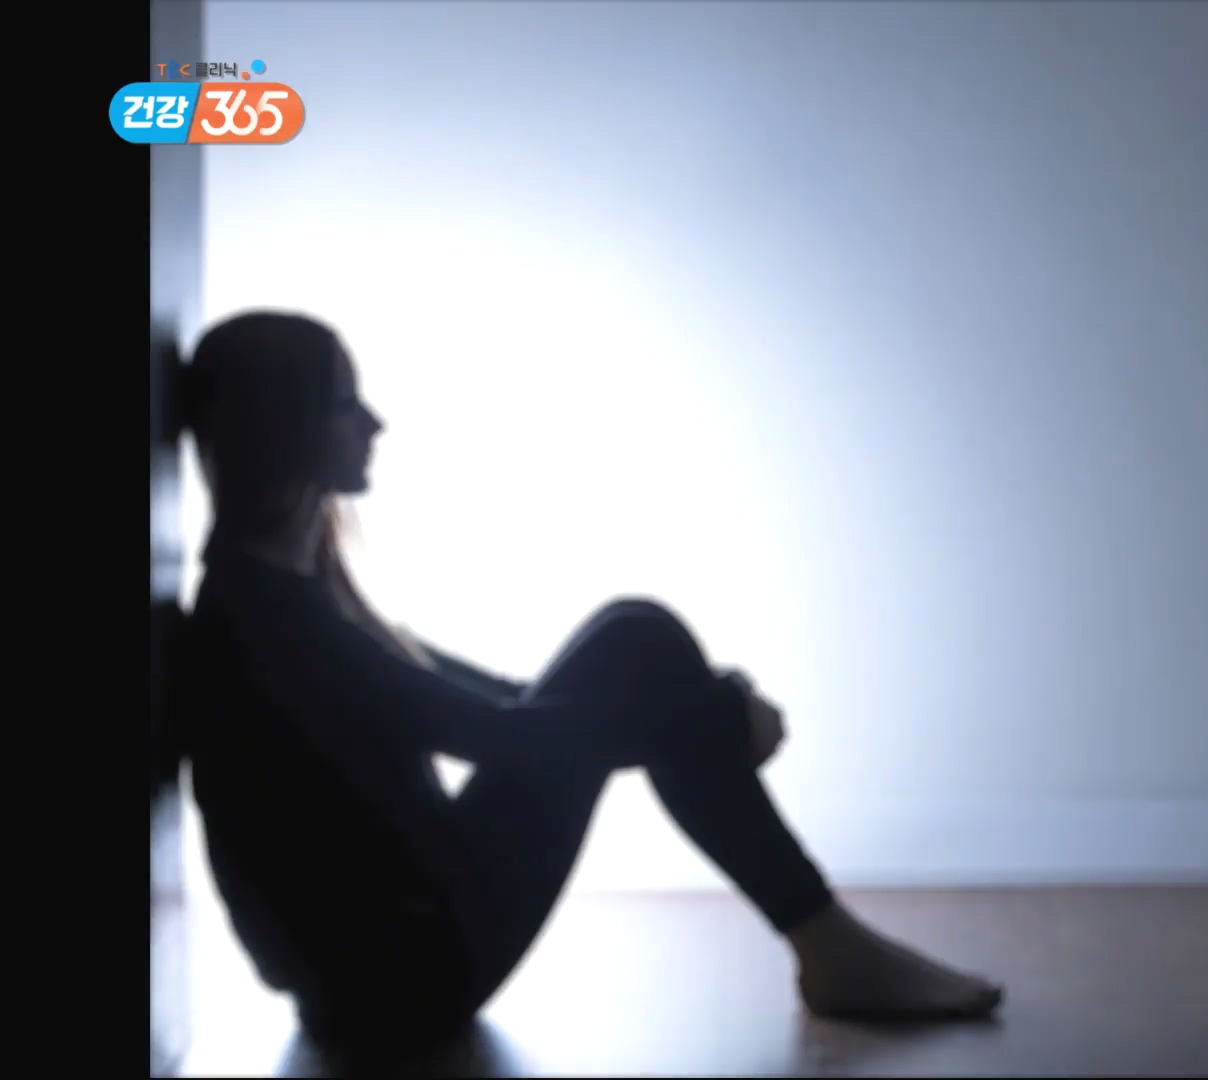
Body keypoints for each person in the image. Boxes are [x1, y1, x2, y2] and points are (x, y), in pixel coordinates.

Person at [176, 310, 1003, 1053]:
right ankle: (833, 949)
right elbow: (500, 739)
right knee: (638, 639)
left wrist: (700, 705)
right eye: (345, 405)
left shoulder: (293, 588)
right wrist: (718, 717)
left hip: (392, 958)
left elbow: (496, 700)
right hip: (400, 987)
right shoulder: (271, 624)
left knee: (634, 642)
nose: (374, 423)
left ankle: (832, 949)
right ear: (282, 427)